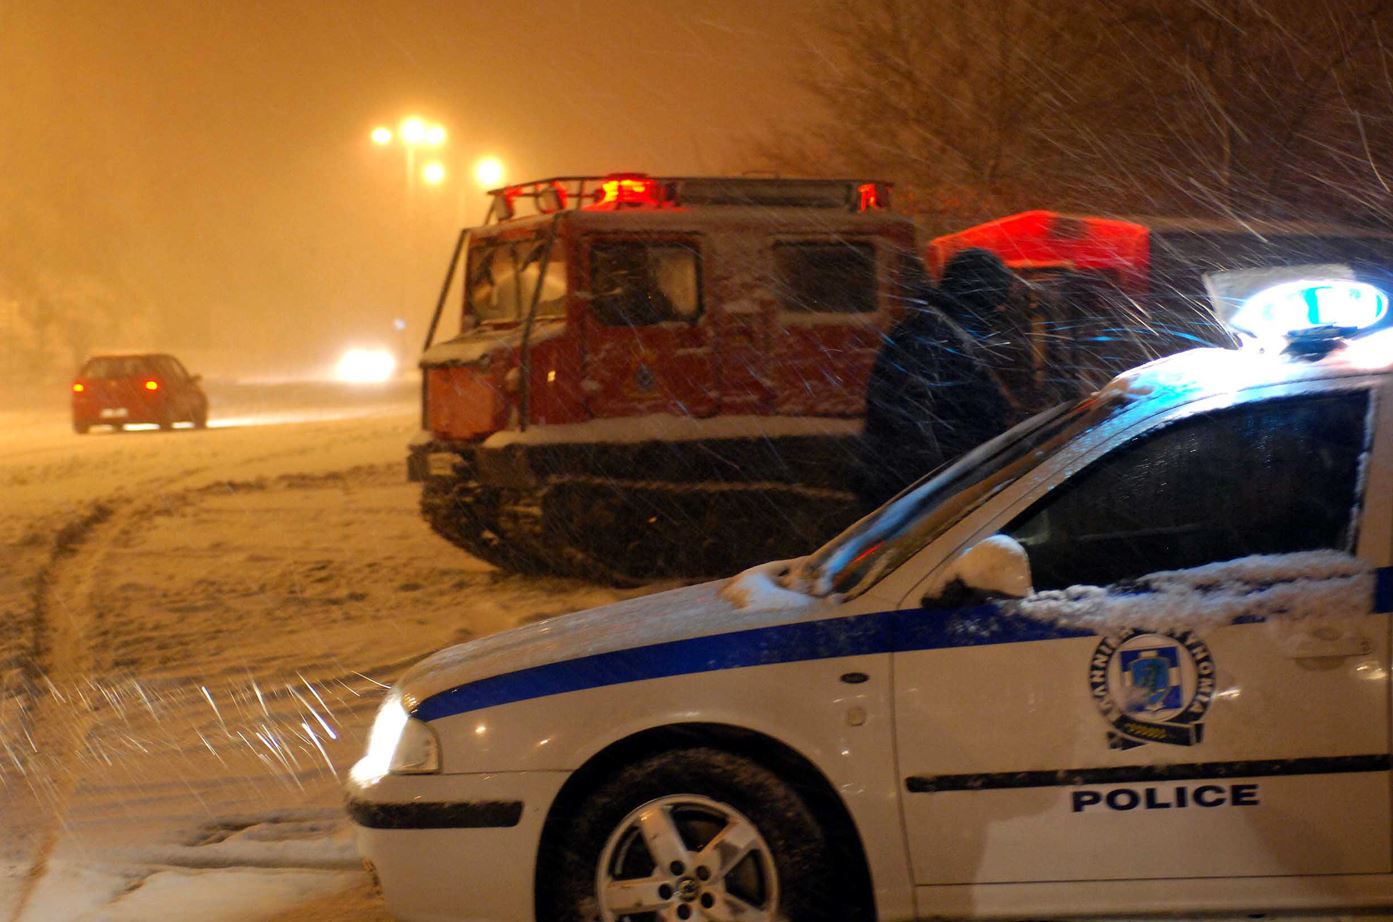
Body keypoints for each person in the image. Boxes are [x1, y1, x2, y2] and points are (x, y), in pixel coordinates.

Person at [855, 248, 1017, 512]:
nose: (1001, 310)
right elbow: (912, 429)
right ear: (977, 297)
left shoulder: (942, 334)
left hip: (929, 493)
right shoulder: (930, 339)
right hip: (921, 499)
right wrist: (946, 492)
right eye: (998, 300)